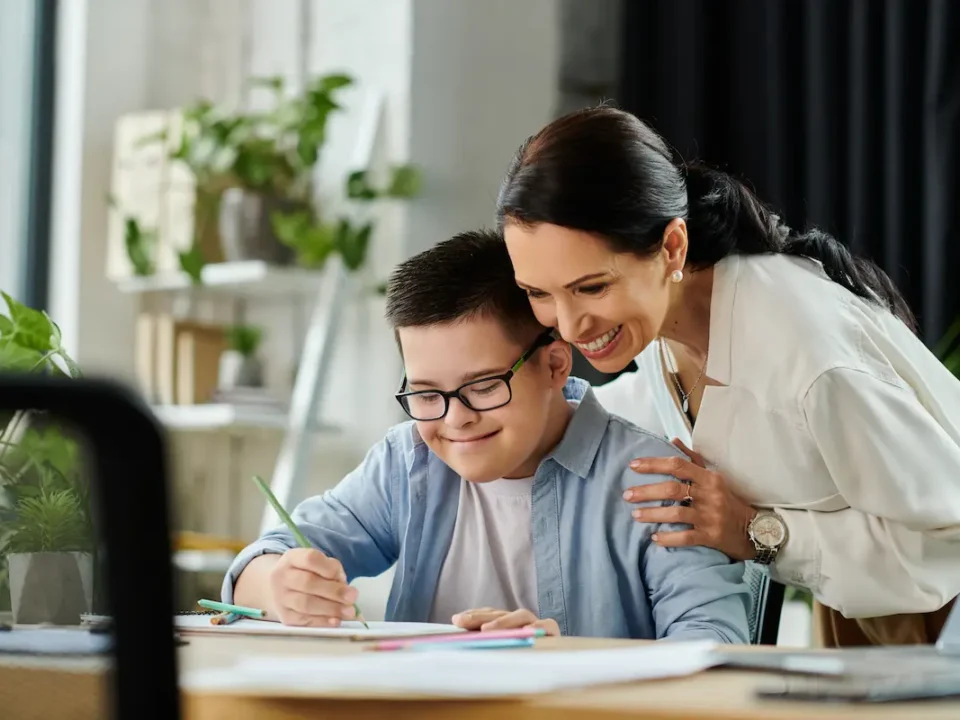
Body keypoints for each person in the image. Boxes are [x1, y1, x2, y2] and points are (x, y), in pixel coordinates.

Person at [495, 105, 960, 647]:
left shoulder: (809, 359)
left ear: (672, 246)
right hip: (862, 619)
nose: (570, 326)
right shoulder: (665, 323)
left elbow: (947, 540)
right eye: (538, 293)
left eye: (592, 287)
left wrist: (755, 531)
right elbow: (613, 415)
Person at [223, 229, 750, 643]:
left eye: (482, 387)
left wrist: (568, 662)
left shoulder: (650, 480)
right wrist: (278, 584)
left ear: (555, 366)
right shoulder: (406, 462)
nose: (455, 420)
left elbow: (716, 644)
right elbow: (260, 562)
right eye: (427, 394)